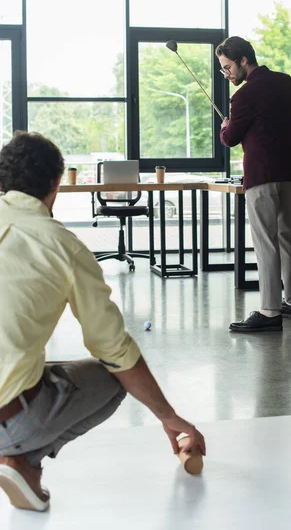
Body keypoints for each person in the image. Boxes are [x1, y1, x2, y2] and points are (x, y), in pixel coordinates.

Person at [0, 132, 205, 512]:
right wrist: (168, 415)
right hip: (7, 421)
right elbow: (114, 351)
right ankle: (22, 460)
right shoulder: (61, 245)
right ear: (55, 184)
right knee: (109, 378)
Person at [215, 36, 291, 333]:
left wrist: (225, 127)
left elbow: (231, 139)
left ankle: (269, 310)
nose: (226, 74)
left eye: (227, 67)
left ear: (243, 60)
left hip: (262, 176)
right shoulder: (286, 82)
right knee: (286, 236)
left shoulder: (243, 96)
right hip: (289, 172)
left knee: (266, 243)